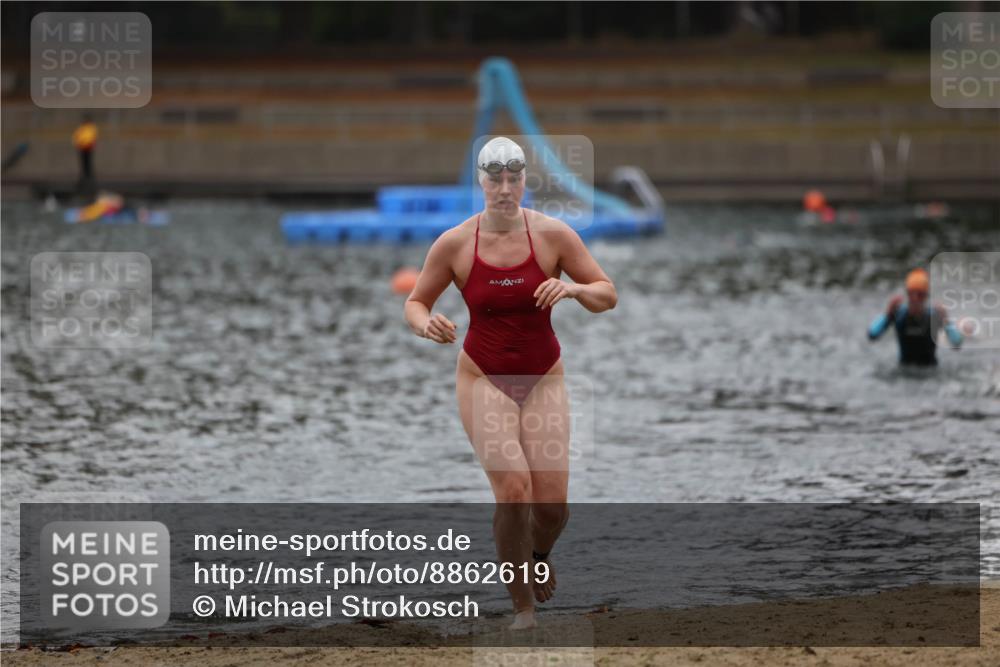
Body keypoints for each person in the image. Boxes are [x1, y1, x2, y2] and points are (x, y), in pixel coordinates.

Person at [404, 137, 617, 630]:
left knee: (552, 506)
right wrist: (424, 324)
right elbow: (415, 302)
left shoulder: (554, 235)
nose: (504, 189)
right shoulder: (455, 243)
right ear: (480, 182)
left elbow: (607, 295)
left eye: (513, 179)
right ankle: (523, 608)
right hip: (482, 376)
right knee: (514, 490)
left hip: (543, 378)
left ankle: (539, 555)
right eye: (494, 179)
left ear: (524, 182)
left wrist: (573, 288)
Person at [868, 268, 963, 366]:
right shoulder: (899, 314)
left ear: (926, 296)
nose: (915, 298)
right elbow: (872, 335)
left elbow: (957, 344)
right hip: (904, 370)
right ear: (907, 294)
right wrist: (887, 315)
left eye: (920, 295)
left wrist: (946, 321)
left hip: (930, 370)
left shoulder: (934, 316)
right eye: (911, 294)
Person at [72, 114, 98, 197]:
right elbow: (77, 136)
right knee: (84, 162)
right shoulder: (82, 128)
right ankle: (85, 175)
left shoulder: (91, 128)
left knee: (87, 162)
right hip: (82, 147)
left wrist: (89, 144)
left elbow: (92, 137)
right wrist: (78, 144)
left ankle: (88, 175)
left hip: (88, 147)